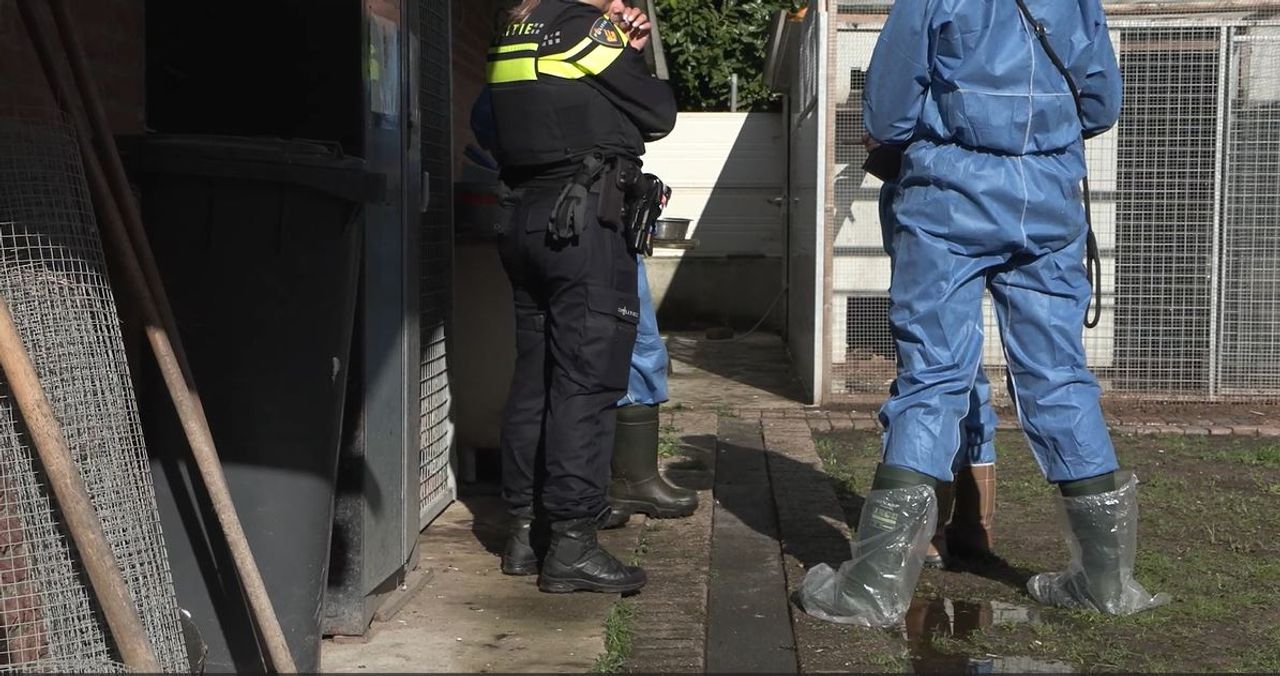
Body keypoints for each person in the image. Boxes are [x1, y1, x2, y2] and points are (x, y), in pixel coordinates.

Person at [798, 0, 1168, 626]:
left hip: (948, 200)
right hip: (1047, 202)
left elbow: (887, 112)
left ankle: (873, 589)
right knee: (1058, 374)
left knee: (934, 376)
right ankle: (1106, 583)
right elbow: (1101, 105)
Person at [484, 0, 676, 595]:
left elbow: (506, 121)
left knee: (535, 379)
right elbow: (659, 112)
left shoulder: (512, 30)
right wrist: (632, 54)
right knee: (586, 383)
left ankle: (524, 530)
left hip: (524, 218)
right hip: (581, 224)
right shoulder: (582, 27)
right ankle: (571, 542)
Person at [875, 171, 998, 569]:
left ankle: (928, 532)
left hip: (933, 192)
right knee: (967, 361)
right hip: (1030, 191)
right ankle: (974, 525)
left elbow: (888, 122)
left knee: (932, 361)